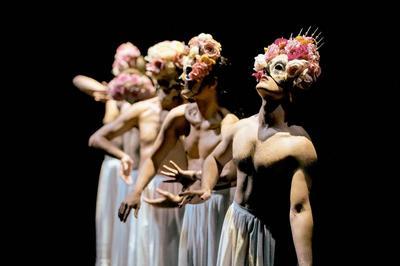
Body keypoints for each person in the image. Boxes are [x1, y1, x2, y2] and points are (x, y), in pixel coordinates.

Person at [181, 29, 322, 266]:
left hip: (265, 231)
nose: (265, 74)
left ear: (294, 83)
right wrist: (206, 186)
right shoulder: (241, 128)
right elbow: (214, 160)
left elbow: (299, 209)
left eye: (276, 69)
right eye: (265, 68)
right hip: (235, 221)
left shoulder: (298, 145)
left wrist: (305, 264)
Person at [119, 33, 238, 266]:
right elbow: (155, 158)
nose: (183, 79)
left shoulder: (228, 123)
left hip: (218, 203)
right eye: (184, 72)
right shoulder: (180, 117)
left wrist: (196, 177)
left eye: (191, 75)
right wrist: (137, 190)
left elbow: (233, 173)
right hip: (192, 202)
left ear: (212, 83)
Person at [89, 40, 188, 266]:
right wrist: (122, 155)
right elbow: (97, 137)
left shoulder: (189, 112)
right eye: (159, 84)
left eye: (168, 84)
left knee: (176, 252)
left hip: (181, 187)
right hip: (149, 185)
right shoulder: (144, 110)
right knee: (148, 253)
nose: (164, 91)